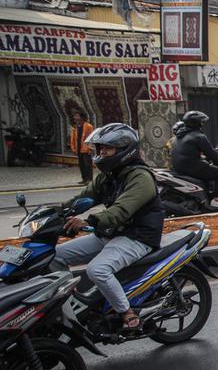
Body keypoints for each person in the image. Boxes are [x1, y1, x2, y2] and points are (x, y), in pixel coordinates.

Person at [53, 123, 164, 333]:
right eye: (100, 148)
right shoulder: (109, 175)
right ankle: (69, 302)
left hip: (137, 236)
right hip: (112, 233)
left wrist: (88, 222)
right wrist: (55, 212)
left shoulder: (141, 177)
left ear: (124, 150)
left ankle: (126, 312)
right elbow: (83, 198)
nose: (101, 152)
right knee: (56, 255)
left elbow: (121, 211)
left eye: (107, 148)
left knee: (98, 269)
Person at [169, 110, 218, 209]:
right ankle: (217, 200)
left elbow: (189, 152)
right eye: (201, 122)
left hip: (178, 168)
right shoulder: (199, 136)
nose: (202, 125)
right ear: (197, 123)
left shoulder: (179, 136)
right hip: (191, 167)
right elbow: (212, 154)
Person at [68, 111, 94, 184]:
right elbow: (73, 138)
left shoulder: (88, 126)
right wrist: (73, 148)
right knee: (81, 165)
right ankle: (84, 178)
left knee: (87, 165)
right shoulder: (75, 127)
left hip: (86, 149)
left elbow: (90, 138)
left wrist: (89, 148)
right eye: (75, 116)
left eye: (77, 116)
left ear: (82, 117)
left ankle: (89, 179)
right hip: (78, 149)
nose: (75, 118)